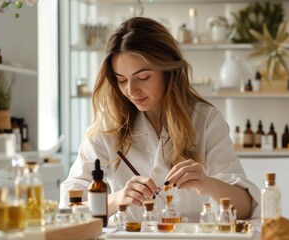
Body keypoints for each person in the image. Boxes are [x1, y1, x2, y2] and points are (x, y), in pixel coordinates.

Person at [60, 17, 260, 222]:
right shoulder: (107, 128)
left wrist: (207, 183)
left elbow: (245, 208)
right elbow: (68, 208)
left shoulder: (206, 120)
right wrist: (116, 199)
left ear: (168, 71)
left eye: (143, 77)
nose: (131, 90)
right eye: (121, 80)